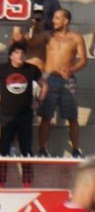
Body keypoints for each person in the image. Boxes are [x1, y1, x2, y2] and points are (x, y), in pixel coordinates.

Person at [0, 41, 47, 188]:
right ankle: (0, 183)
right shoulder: (3, 68)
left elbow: (45, 85)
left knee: (26, 150)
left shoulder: (31, 69)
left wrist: (39, 102)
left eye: (22, 53)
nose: (20, 55)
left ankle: (27, 183)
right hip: (7, 115)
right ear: (11, 56)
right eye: (17, 52)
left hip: (25, 115)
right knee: (3, 149)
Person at [37, 9, 87, 157]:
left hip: (67, 79)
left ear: (66, 21)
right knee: (46, 116)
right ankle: (42, 149)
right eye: (54, 18)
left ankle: (76, 149)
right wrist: (36, 25)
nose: (54, 21)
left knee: (72, 116)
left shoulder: (76, 38)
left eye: (57, 18)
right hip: (49, 77)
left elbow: (83, 60)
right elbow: (31, 42)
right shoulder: (47, 36)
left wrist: (72, 69)